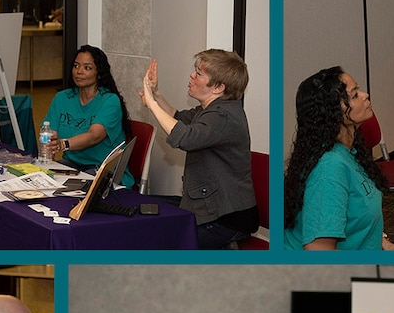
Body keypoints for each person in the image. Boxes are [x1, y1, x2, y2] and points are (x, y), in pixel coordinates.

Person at [140, 49, 258, 249]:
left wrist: (151, 104)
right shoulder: (212, 109)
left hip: (227, 219)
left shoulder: (223, 116)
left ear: (218, 87)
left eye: (199, 74)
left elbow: (184, 138)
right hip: (208, 207)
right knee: (141, 208)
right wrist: (156, 94)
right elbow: (178, 120)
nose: (192, 76)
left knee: (157, 238)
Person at [284, 67, 394, 250]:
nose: (365, 95)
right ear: (332, 112)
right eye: (354, 95)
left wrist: (390, 247)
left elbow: (357, 223)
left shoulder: (349, 150)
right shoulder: (329, 169)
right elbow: (319, 254)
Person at [42, 45, 130, 176]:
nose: (79, 71)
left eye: (87, 68)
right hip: (71, 163)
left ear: (99, 73)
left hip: (102, 167)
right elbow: (49, 133)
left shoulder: (110, 101)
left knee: (82, 191)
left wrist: (62, 144)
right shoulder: (62, 98)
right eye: (76, 66)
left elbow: (94, 136)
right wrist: (49, 157)